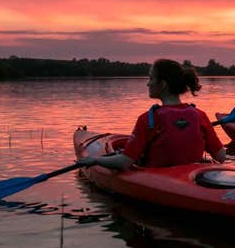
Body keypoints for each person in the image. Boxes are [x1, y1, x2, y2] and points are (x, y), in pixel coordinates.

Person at [77, 59, 226, 170]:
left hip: (159, 181)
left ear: (162, 85)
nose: (148, 84)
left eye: (151, 78)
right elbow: (221, 157)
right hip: (192, 178)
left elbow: (124, 162)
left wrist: (95, 161)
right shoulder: (199, 115)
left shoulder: (148, 119)